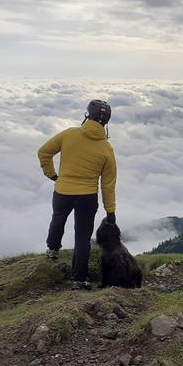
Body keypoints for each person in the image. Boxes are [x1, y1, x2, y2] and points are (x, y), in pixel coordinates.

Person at [38, 100, 116, 289]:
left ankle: (52, 250)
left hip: (63, 190)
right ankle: (79, 279)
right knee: (82, 237)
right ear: (106, 123)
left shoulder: (69, 134)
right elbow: (108, 184)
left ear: (86, 115)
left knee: (57, 220)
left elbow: (44, 152)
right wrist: (110, 211)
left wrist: (52, 175)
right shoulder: (106, 149)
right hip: (88, 197)